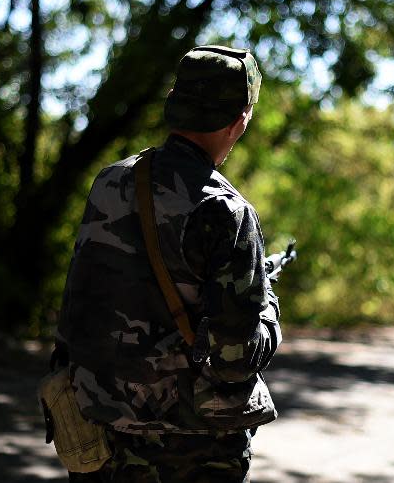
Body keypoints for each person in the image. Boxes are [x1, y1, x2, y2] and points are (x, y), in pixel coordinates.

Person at [54, 45, 282, 482]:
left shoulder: (111, 181)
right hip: (191, 449)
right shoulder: (226, 212)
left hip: (98, 437)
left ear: (174, 105)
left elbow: (80, 305)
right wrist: (268, 309)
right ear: (241, 119)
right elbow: (234, 359)